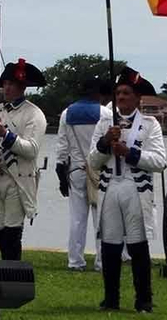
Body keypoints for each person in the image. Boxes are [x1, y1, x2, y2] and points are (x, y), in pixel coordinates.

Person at [89, 67, 167, 313]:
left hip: (135, 188)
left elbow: (159, 161)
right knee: (110, 245)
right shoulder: (105, 122)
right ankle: (111, 299)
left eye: (126, 93)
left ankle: (143, 299)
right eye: (118, 92)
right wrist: (105, 143)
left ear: (137, 98)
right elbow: (92, 161)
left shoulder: (149, 124)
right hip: (110, 185)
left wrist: (130, 153)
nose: (121, 97)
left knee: (137, 246)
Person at [0, 58, 48, 262]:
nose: (7, 88)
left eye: (12, 84)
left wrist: (6, 135)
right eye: (5, 84)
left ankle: (11, 274)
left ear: (22, 87)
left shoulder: (34, 114)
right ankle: (5, 271)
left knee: (12, 233)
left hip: (18, 180)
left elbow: (31, 149)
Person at [55, 76, 108, 271]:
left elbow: (62, 149)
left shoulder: (66, 113)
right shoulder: (105, 113)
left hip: (75, 170)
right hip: (99, 171)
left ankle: (75, 261)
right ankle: (102, 262)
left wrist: (61, 177)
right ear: (96, 93)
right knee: (101, 218)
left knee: (77, 218)